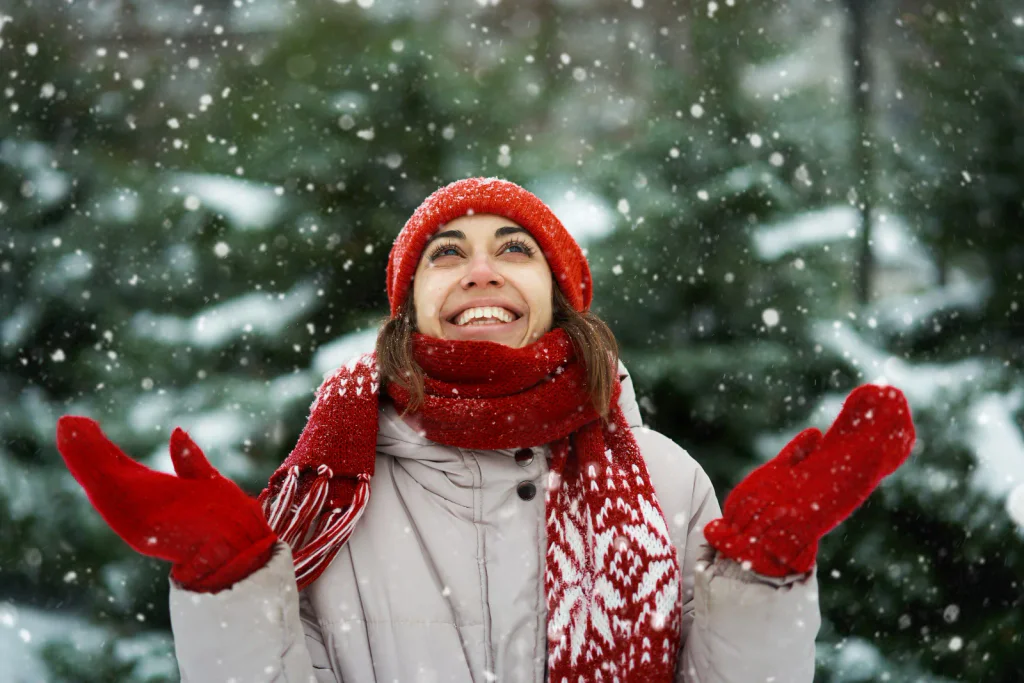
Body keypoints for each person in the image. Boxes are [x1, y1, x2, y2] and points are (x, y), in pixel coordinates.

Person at [56, 177, 916, 683]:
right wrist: (230, 590)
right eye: (445, 254)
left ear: (558, 297)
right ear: (409, 307)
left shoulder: (667, 477)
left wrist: (763, 577)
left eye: (513, 249)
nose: (478, 270)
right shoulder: (329, 495)